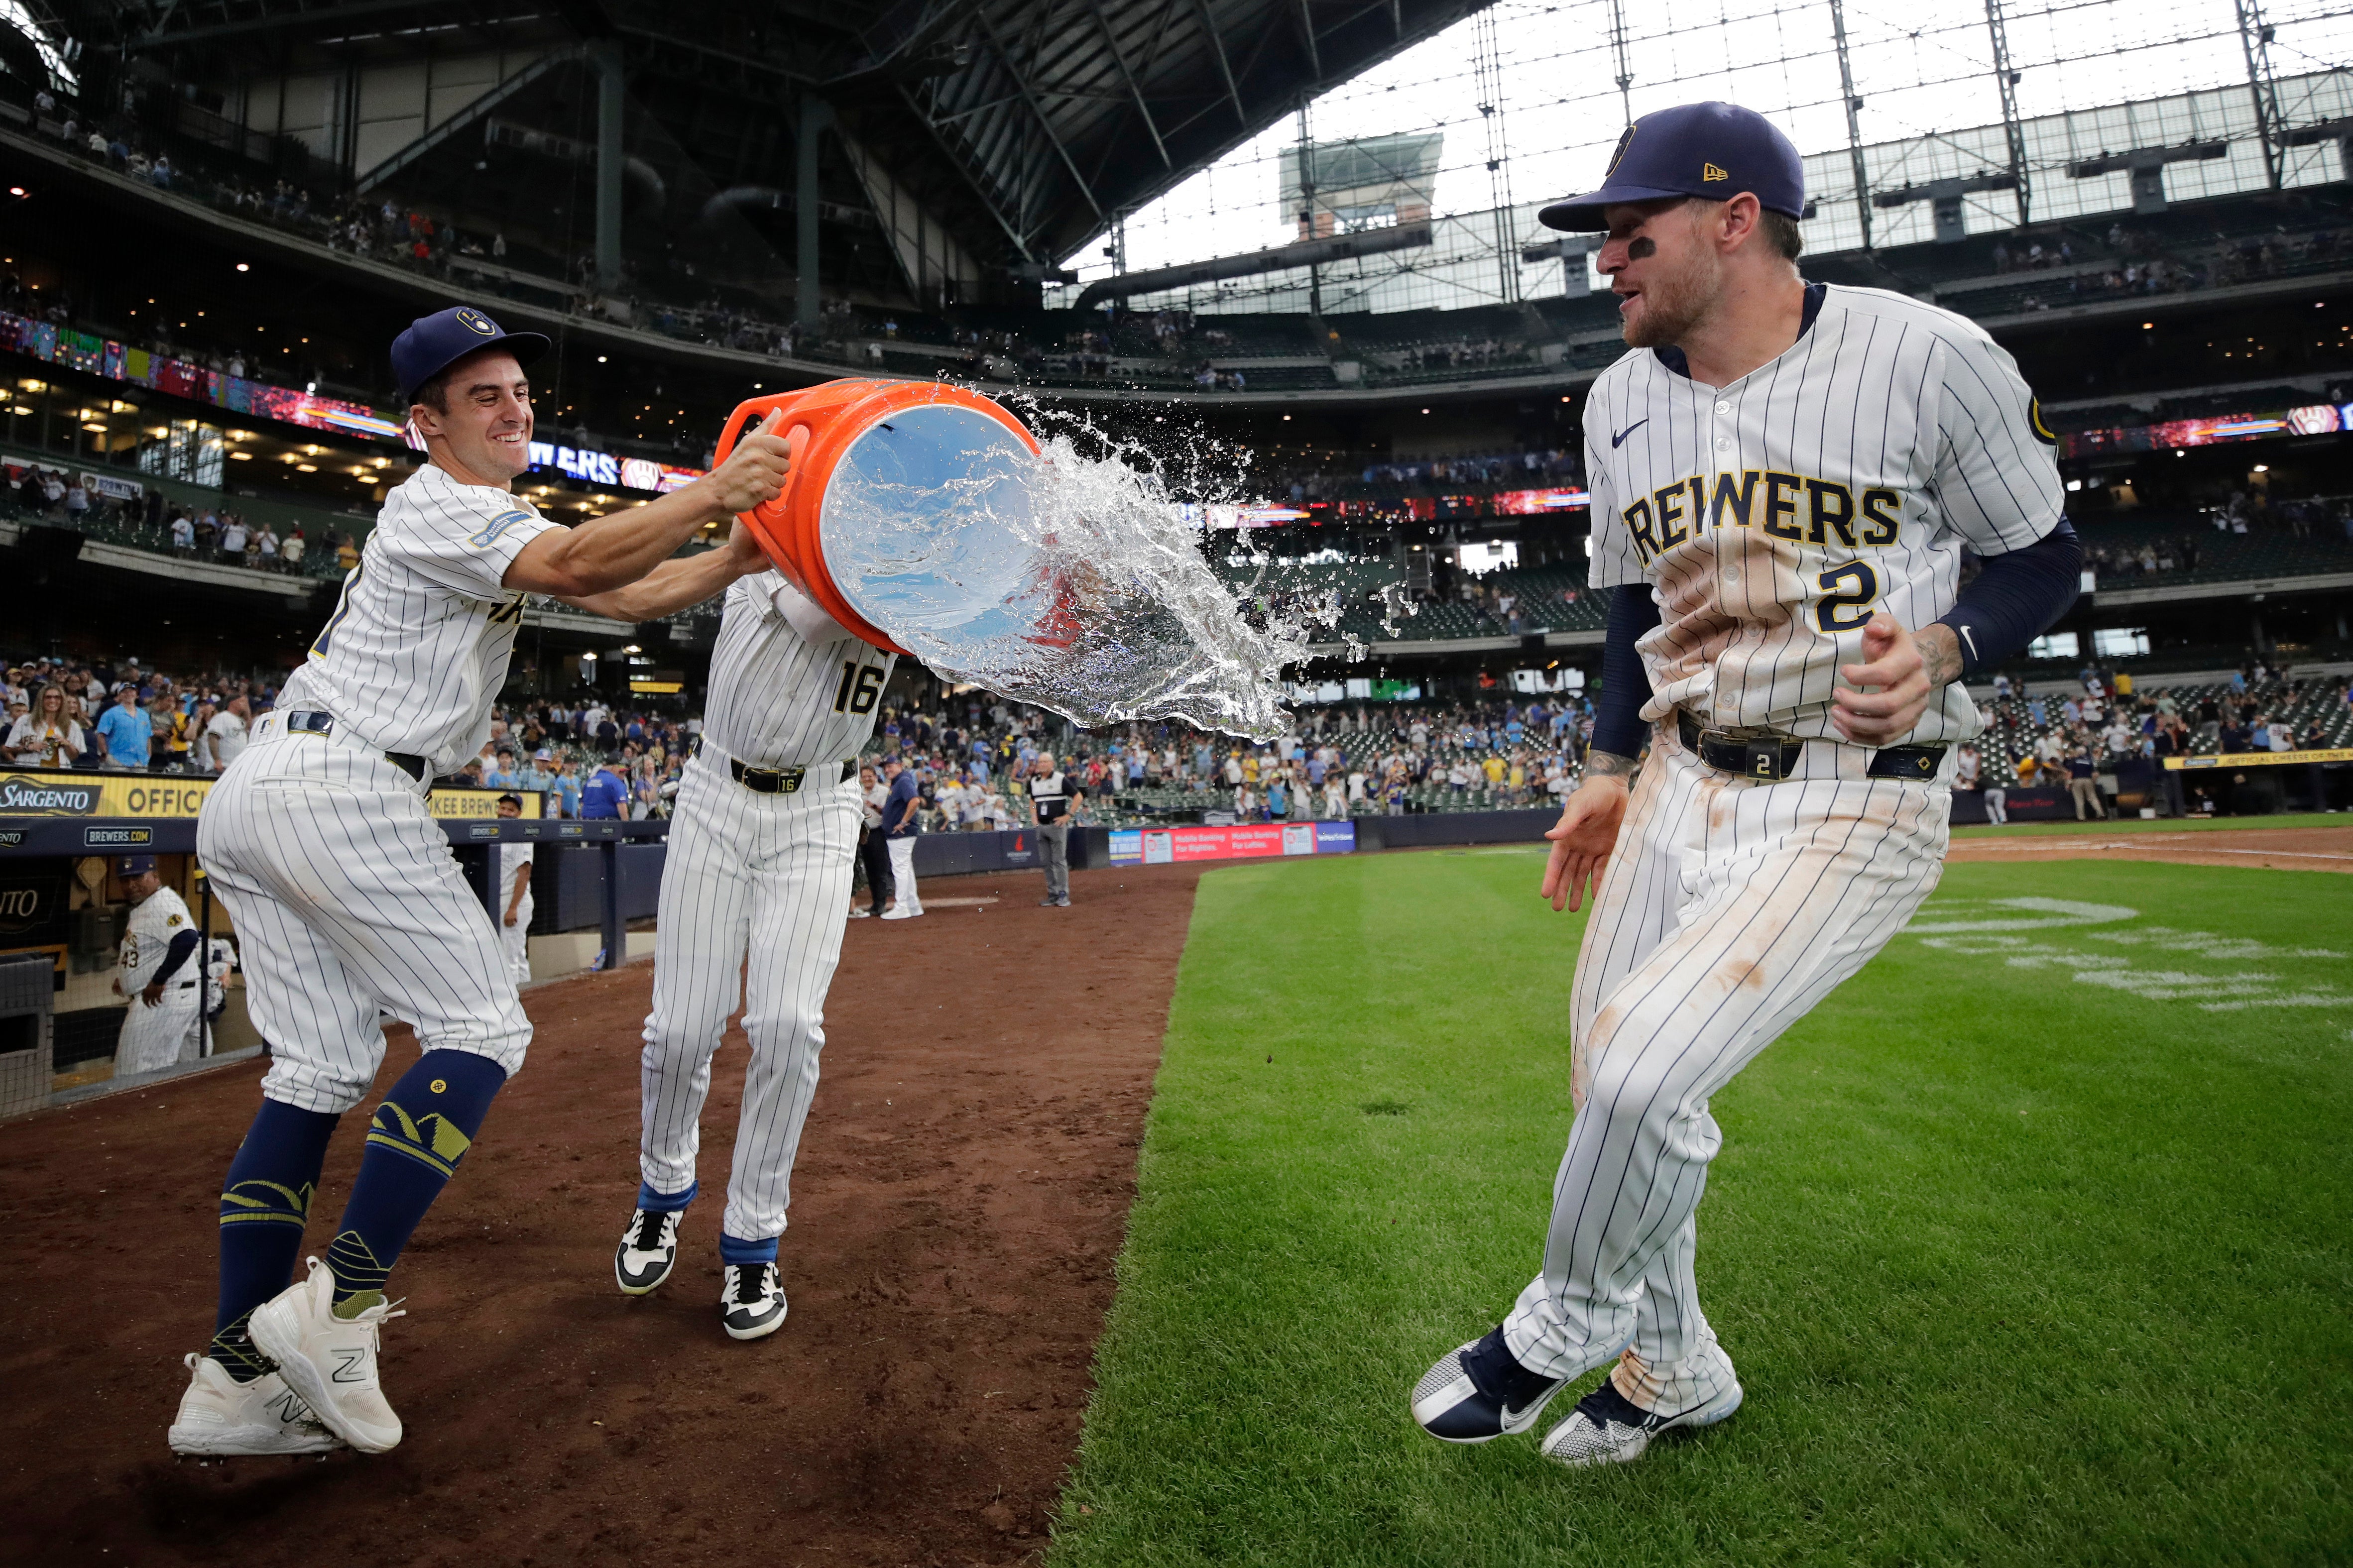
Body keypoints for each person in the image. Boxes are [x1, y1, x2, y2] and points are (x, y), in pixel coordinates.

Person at [1409, 102, 2082, 1471]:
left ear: (1733, 222)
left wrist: (1948, 645)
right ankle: (1671, 1366)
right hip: (1673, 774)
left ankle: (1559, 1322)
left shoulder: (1925, 353)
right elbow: (1625, 611)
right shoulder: (1614, 400)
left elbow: (2042, 561)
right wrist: (1604, 768)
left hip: (1852, 785)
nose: (1603, 258)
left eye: (1627, 229)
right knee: (1617, 1073)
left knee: (1647, 1066)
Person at [168, 304, 788, 1460]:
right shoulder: (443, 505)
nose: (514, 410)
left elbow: (623, 593)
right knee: (481, 1026)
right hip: (342, 782)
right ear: (426, 426)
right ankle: (338, 1311)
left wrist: (741, 553)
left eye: (518, 391)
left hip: (263, 786)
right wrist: (716, 492)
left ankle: (234, 1377)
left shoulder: (477, 516)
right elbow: (574, 561)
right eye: (481, 397)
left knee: (317, 1072)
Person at [614, 554, 896, 1341]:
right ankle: (661, 1193)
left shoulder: (915, 573)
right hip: (715, 799)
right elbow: (818, 615)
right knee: (680, 1028)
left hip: (820, 809)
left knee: (786, 1026)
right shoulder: (775, 539)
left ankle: (753, 1238)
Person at [111, 856, 205, 1077]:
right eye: (125, 880)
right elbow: (150, 948)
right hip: (172, 995)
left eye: (137, 877)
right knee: (166, 1070)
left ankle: (138, 1112)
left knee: (134, 1072)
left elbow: (186, 938)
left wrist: (159, 979)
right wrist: (126, 976)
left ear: (155, 877)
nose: (131, 885)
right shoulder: (148, 906)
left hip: (163, 997)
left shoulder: (162, 902)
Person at [1029, 751, 1078, 907]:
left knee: (1059, 861)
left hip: (1056, 826)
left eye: (1045, 762)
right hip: (1041, 826)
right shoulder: (1034, 781)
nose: (1042, 765)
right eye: (1040, 762)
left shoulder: (1060, 779)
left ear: (1052, 764)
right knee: (1046, 862)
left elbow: (1078, 797)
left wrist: (1068, 815)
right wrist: (1034, 817)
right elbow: (1032, 800)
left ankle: (1063, 894)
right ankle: (1053, 893)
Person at [494, 793, 533, 987]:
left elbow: (524, 873)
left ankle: (514, 1004)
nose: (505, 813)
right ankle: (528, 998)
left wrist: (513, 908)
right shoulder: (497, 833)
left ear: (518, 813)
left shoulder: (521, 834)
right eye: (503, 808)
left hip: (515, 901)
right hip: (505, 899)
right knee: (517, 955)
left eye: (511, 810)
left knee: (509, 958)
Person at [878, 754, 923, 918]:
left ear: (900, 765)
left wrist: (903, 822)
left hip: (901, 833)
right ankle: (914, 905)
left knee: (900, 869)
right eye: (885, 767)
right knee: (906, 869)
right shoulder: (899, 781)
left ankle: (902, 906)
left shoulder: (903, 780)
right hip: (900, 834)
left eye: (890, 766)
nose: (887, 770)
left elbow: (915, 801)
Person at [849, 762, 892, 916]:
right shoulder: (857, 792)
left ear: (876, 777)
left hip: (878, 832)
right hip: (863, 834)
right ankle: (875, 904)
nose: (867, 779)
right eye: (864, 777)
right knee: (870, 870)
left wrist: (874, 807)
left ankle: (881, 904)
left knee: (880, 870)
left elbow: (888, 814)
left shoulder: (884, 791)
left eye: (870, 776)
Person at [6, 684, 83, 767]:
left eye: (57, 698)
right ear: (41, 700)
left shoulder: (73, 725)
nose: (53, 701)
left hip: (59, 774)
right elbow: (7, 749)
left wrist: (67, 744)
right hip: (28, 772)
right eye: (48, 697)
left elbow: (74, 757)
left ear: (63, 701)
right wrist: (29, 747)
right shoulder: (24, 720)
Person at [95, 683, 154, 770]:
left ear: (136, 694)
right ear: (120, 695)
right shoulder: (111, 714)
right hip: (117, 760)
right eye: (125, 692)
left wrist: (149, 754)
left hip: (141, 761)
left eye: (132, 691)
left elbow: (148, 737)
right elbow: (101, 735)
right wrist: (105, 755)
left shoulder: (144, 715)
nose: (129, 694)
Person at [204, 693, 250, 774]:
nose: (245, 705)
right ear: (233, 703)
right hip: (222, 768)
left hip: (235, 769)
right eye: (242, 701)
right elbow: (213, 738)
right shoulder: (222, 717)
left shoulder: (240, 721)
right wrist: (217, 760)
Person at [581, 752, 630, 818]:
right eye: (620, 770)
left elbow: (582, 803)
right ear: (615, 767)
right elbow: (622, 806)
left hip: (587, 822)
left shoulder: (590, 781)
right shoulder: (616, 783)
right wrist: (626, 826)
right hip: (608, 824)